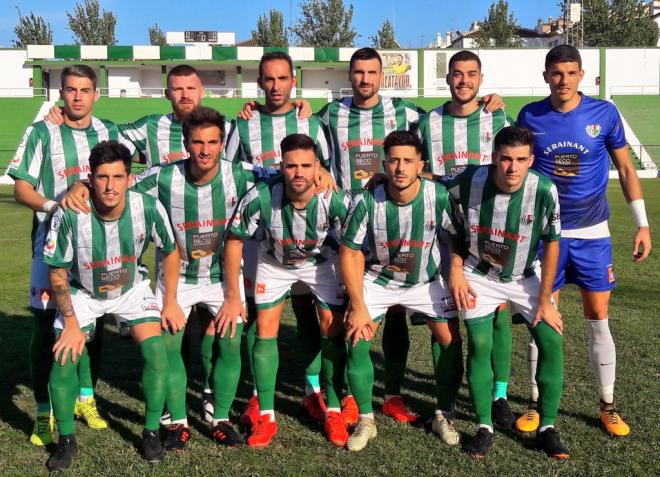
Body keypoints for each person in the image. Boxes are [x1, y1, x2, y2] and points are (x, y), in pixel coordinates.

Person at [53, 65, 228, 424]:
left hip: (218, 252)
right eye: (176, 88)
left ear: (202, 92)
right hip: (163, 247)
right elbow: (105, 144)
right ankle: (168, 408)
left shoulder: (231, 128)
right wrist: (86, 179)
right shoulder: (148, 127)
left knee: (222, 328)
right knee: (171, 333)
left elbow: (265, 166)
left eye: (191, 88)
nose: (184, 95)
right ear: (167, 94)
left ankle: (214, 399)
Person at [516, 45, 652, 436]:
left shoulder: (603, 114)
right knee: (541, 320)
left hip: (593, 235)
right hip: (546, 235)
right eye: (556, 73)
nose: (563, 80)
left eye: (570, 73)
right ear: (545, 76)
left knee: (598, 320)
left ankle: (608, 405)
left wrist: (641, 224)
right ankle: (536, 402)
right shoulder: (530, 115)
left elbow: (625, 169)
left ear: (582, 76)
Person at [9, 65, 135, 445]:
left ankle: (86, 397)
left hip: (101, 248)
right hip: (49, 244)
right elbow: (21, 189)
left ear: (97, 94)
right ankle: (44, 412)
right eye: (70, 90)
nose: (77, 97)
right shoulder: (42, 131)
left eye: (85, 90)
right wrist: (56, 206)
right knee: (46, 326)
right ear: (60, 94)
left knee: (92, 327)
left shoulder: (110, 132)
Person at [43, 140, 182, 471]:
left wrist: (171, 300)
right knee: (63, 357)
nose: (110, 185)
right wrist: (71, 323)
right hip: (83, 292)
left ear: (129, 178)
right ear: (90, 178)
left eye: (118, 177)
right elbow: (58, 272)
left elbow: (171, 250)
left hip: (131, 290)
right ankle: (66, 440)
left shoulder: (147, 207)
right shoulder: (71, 212)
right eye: (102, 177)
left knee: (156, 352)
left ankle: (150, 432)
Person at [224, 52, 338, 428]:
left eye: (282, 79)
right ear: (259, 83)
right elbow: (229, 175)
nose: (275, 86)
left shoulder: (312, 121)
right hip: (261, 234)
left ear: (294, 80)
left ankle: (311, 389)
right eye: (268, 80)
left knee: (310, 315)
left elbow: (328, 172)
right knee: (258, 317)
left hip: (309, 234)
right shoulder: (242, 125)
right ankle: (259, 395)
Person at [221, 133, 351, 448]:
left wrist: (354, 290)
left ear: (318, 166)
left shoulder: (333, 197)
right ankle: (266, 415)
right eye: (291, 165)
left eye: (306, 165)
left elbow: (353, 243)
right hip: (274, 262)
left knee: (330, 328)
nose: (299, 173)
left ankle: (333, 409)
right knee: (265, 328)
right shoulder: (261, 195)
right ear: (281, 165)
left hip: (320, 262)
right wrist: (234, 294)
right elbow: (235, 238)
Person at [448, 126, 568, 459]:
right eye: (505, 159)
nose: (512, 168)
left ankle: (547, 427)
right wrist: (455, 270)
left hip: (525, 275)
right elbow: (433, 194)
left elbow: (552, 242)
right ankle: (484, 426)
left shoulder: (544, 189)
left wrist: (545, 300)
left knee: (551, 340)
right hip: (479, 274)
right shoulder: (468, 181)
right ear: (493, 158)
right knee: (481, 343)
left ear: (531, 160)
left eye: (520, 160)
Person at [339, 130, 460, 452]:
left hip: (426, 280)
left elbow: (456, 237)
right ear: (384, 163)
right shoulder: (367, 200)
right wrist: (358, 303)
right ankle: (366, 418)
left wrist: (457, 275)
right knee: (357, 334)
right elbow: (349, 251)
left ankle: (442, 413)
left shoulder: (438, 196)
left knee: (451, 341)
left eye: (408, 161)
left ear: (421, 164)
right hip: (378, 279)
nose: (401, 168)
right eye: (394, 161)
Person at [415, 50, 516, 433]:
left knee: (497, 312)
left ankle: (500, 395)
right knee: (443, 317)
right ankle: (447, 402)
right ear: (447, 79)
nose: (464, 81)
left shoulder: (497, 115)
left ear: (481, 78)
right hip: (440, 229)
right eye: (457, 74)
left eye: (471, 74)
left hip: (488, 228)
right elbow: (416, 164)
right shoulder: (429, 121)